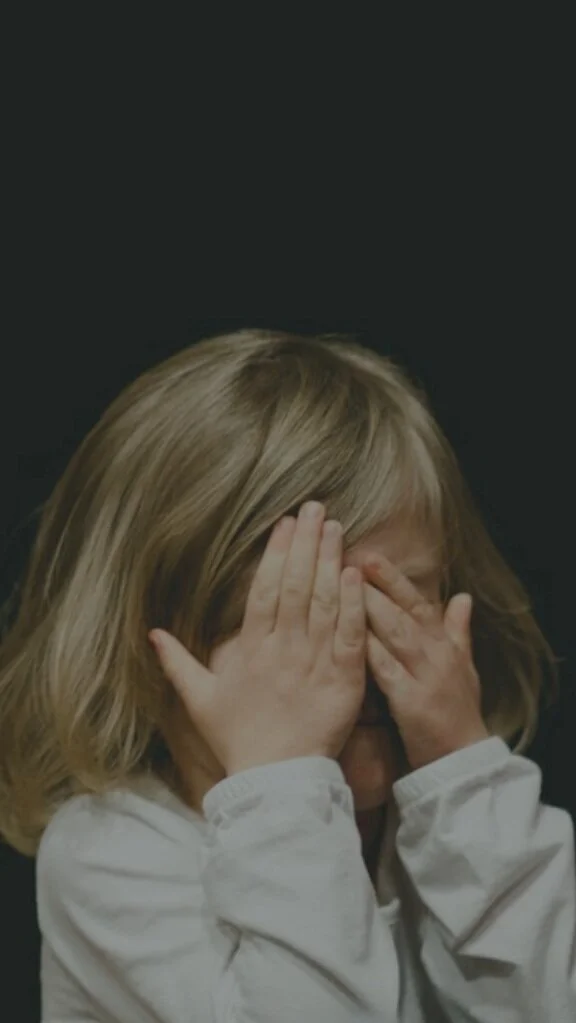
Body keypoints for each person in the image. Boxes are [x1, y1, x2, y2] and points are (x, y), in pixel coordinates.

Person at [0, 329, 573, 1021]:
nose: (353, 661)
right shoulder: (110, 854)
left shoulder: (445, 825)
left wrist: (465, 778)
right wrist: (284, 781)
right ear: (153, 646)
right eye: (300, 623)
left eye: (392, 605)